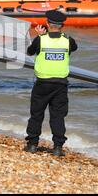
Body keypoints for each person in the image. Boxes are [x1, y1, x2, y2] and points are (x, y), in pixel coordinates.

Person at [24, 10, 78, 156]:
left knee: (36, 114)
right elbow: (73, 49)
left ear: (47, 24)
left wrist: (40, 35)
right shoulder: (68, 40)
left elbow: (30, 52)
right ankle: (58, 147)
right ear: (62, 26)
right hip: (60, 84)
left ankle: (32, 145)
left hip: (42, 83)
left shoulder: (41, 39)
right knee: (58, 116)